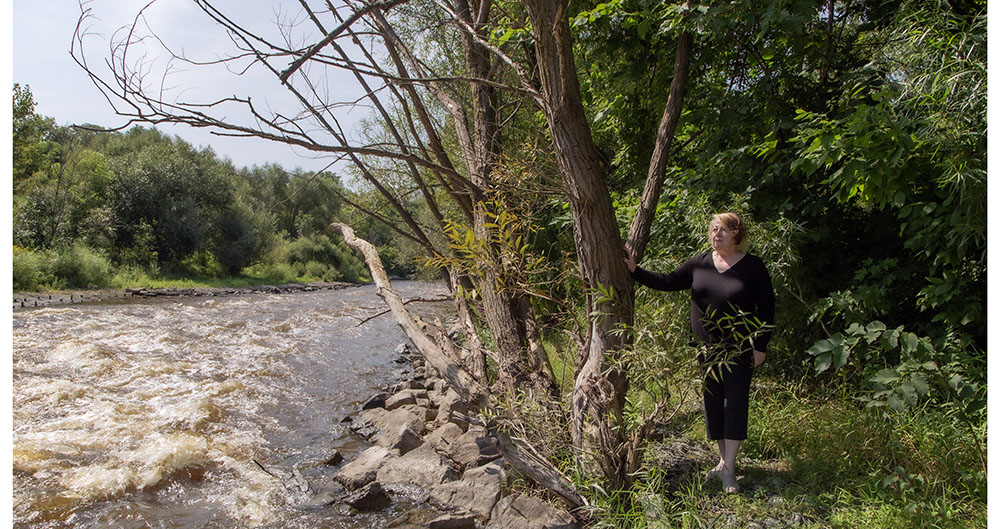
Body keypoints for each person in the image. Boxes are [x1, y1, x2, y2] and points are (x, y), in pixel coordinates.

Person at [624, 212, 775, 493]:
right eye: (714, 229)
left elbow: (767, 309)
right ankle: (723, 463)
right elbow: (666, 281)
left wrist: (760, 346)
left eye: (723, 230)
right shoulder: (701, 263)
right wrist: (635, 270)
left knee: (735, 405)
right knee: (714, 405)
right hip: (706, 351)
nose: (716, 234)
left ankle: (729, 470)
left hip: (739, 350)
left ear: (737, 235)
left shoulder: (753, 267)